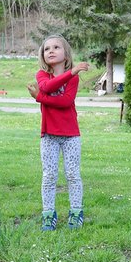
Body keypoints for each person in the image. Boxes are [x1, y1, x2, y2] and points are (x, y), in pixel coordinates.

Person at [26, 34, 90, 231]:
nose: (51, 51)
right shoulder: (42, 75)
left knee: (72, 174)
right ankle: (48, 214)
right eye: (47, 49)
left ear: (66, 53)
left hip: (71, 135)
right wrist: (41, 93)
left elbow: (65, 102)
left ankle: (76, 212)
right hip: (48, 136)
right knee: (49, 175)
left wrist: (40, 98)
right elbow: (46, 87)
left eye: (56, 47)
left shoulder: (73, 78)